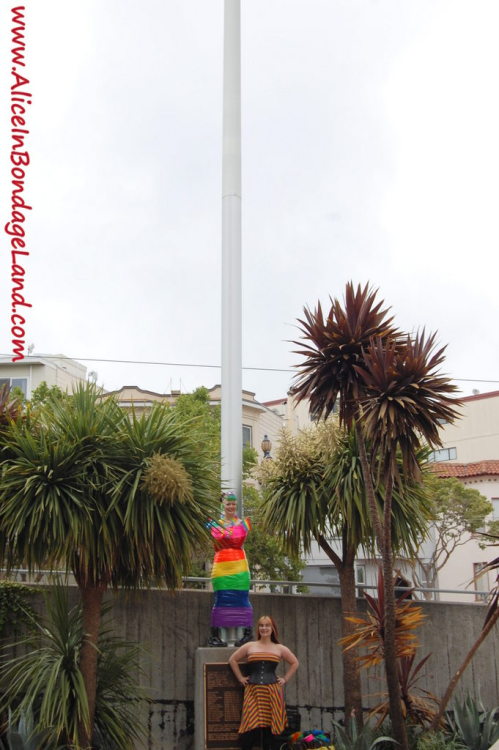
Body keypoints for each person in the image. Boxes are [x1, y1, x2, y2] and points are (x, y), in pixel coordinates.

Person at [229, 615, 299, 750]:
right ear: (258, 628)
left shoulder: (280, 648)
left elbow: (295, 663)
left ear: (273, 628)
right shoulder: (250, 646)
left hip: (272, 692)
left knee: (269, 729)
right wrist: (240, 678)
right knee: (249, 727)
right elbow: (233, 660)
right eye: (261, 625)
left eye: (267, 625)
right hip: (253, 691)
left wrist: (285, 679)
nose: (264, 628)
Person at [208, 492, 253, 647]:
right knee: (220, 599)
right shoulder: (213, 524)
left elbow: (234, 538)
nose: (231, 507)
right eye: (228, 504)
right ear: (223, 505)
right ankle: (215, 637)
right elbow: (219, 539)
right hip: (221, 566)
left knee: (242, 598)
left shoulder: (244, 523)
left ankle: (247, 633)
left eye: (233, 504)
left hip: (239, 565)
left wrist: (226, 534)